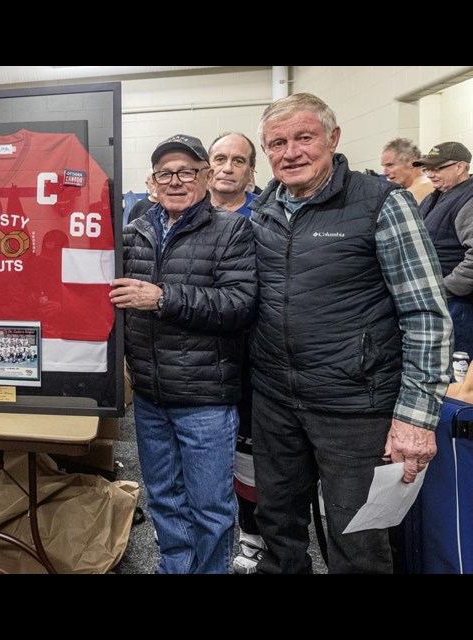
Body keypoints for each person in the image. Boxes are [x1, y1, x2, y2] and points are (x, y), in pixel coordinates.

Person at [250, 93, 452, 574]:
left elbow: (425, 312)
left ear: (333, 138)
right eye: (277, 142)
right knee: (277, 528)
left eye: (304, 137)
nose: (291, 151)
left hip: (355, 405)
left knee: (357, 541)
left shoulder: (383, 202)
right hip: (276, 402)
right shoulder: (264, 209)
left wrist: (417, 418)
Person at [111, 134, 256, 573]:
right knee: (165, 500)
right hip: (152, 396)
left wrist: (163, 298)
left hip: (206, 399)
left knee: (210, 506)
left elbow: (239, 304)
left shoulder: (232, 229)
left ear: (206, 177)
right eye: (165, 173)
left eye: (187, 171)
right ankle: (175, 568)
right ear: (151, 181)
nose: (175, 181)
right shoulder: (133, 234)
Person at [207, 131, 263, 573]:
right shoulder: (181, 211)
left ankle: (251, 532)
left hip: (250, 358)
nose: (227, 167)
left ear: (250, 170)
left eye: (238, 161)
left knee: (248, 453)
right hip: (195, 359)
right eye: (219, 159)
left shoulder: (266, 217)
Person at [413, 141, 473, 357]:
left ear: (460, 167)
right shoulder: (433, 197)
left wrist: (446, 288)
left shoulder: (469, 199)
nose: (430, 174)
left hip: (458, 304)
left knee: (455, 372)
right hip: (437, 299)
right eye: (427, 168)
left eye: (438, 168)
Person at [381, 138, 435, 206]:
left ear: (412, 163)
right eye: (384, 166)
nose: (385, 173)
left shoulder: (422, 187)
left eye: (390, 165)